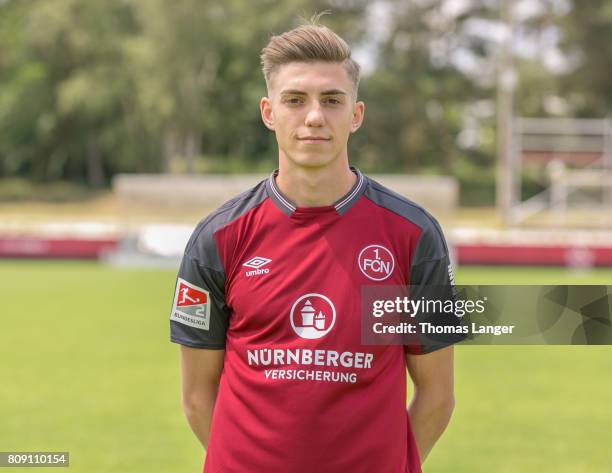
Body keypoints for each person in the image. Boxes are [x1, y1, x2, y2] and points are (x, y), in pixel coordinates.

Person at [170, 18, 459, 473]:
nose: (313, 117)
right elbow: (196, 397)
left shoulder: (412, 236)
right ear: (269, 112)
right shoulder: (218, 238)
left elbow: (437, 396)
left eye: (331, 100)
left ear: (355, 115)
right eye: (295, 100)